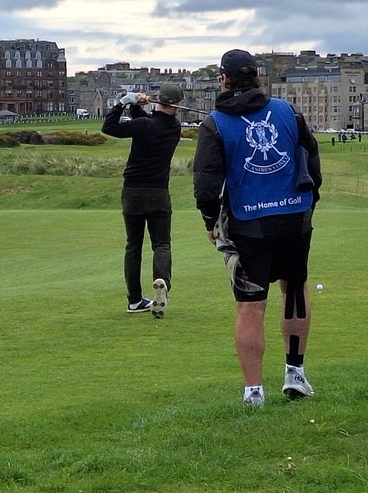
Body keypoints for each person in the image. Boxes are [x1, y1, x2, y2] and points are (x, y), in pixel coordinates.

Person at [193, 50, 323, 406]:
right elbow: (311, 160)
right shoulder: (287, 111)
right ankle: (295, 374)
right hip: (294, 218)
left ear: (223, 79)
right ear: (257, 77)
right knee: (294, 290)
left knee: (251, 307)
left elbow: (206, 186)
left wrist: (210, 222)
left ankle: (254, 392)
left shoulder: (214, 124)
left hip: (248, 224)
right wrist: (310, 204)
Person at [102, 84, 184, 317]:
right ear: (176, 105)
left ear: (159, 100)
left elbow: (109, 127)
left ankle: (135, 300)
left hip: (133, 192)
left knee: (133, 246)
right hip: (158, 192)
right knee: (161, 244)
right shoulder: (174, 127)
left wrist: (123, 102)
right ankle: (162, 282)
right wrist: (137, 106)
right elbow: (147, 123)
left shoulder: (144, 125)